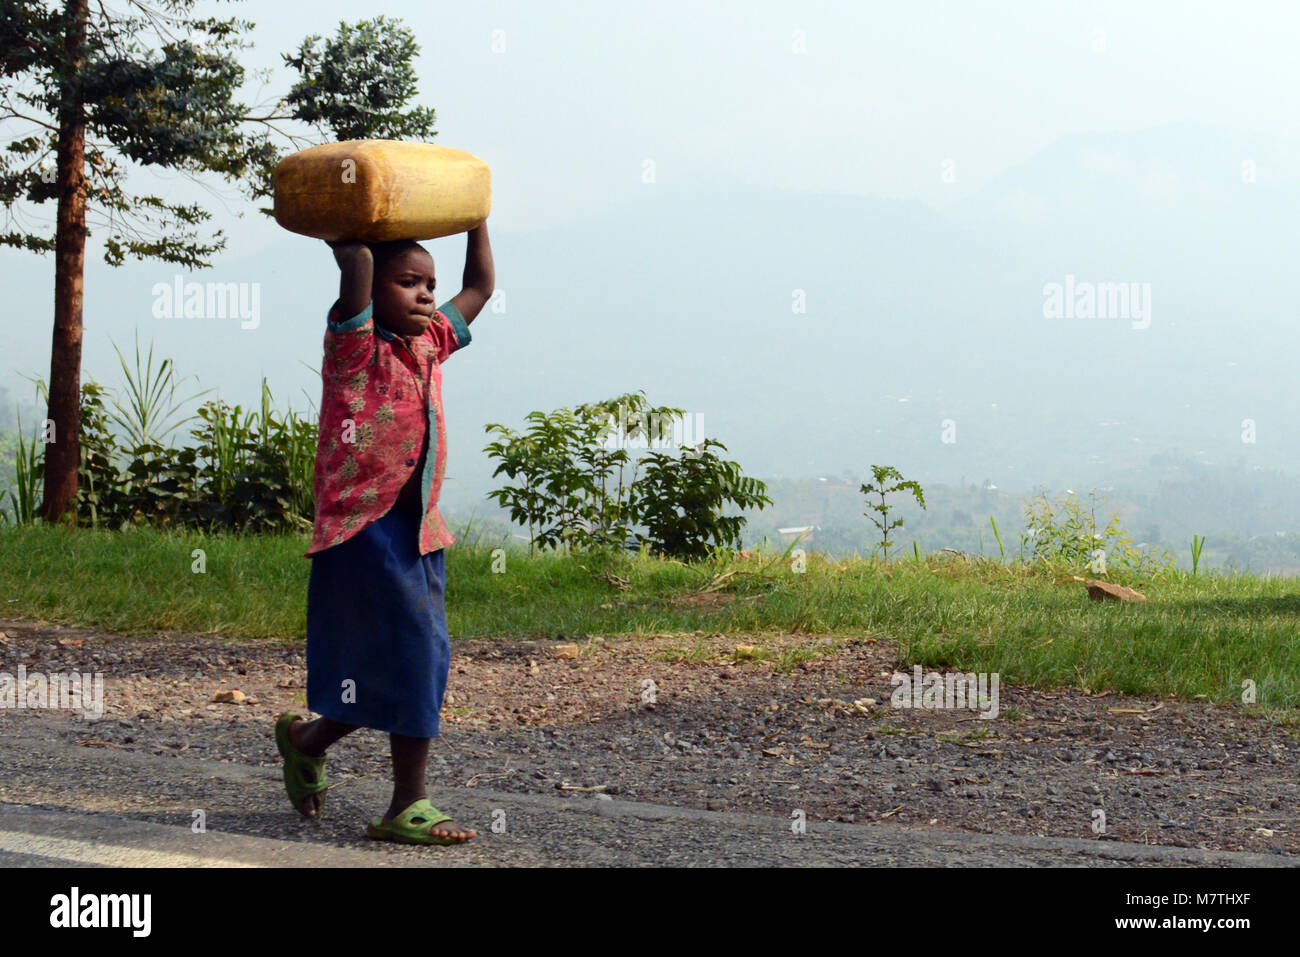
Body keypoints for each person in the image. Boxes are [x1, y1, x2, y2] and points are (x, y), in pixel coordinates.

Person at [275, 222, 494, 845]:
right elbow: (355, 282)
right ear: (375, 289)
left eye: (430, 284)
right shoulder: (356, 345)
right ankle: (408, 803)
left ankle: (307, 739)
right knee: (418, 655)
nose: (427, 295)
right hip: (362, 527)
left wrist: (477, 219)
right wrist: (354, 253)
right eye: (409, 283)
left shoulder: (433, 342)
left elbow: (480, 285)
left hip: (419, 528)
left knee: (401, 661)